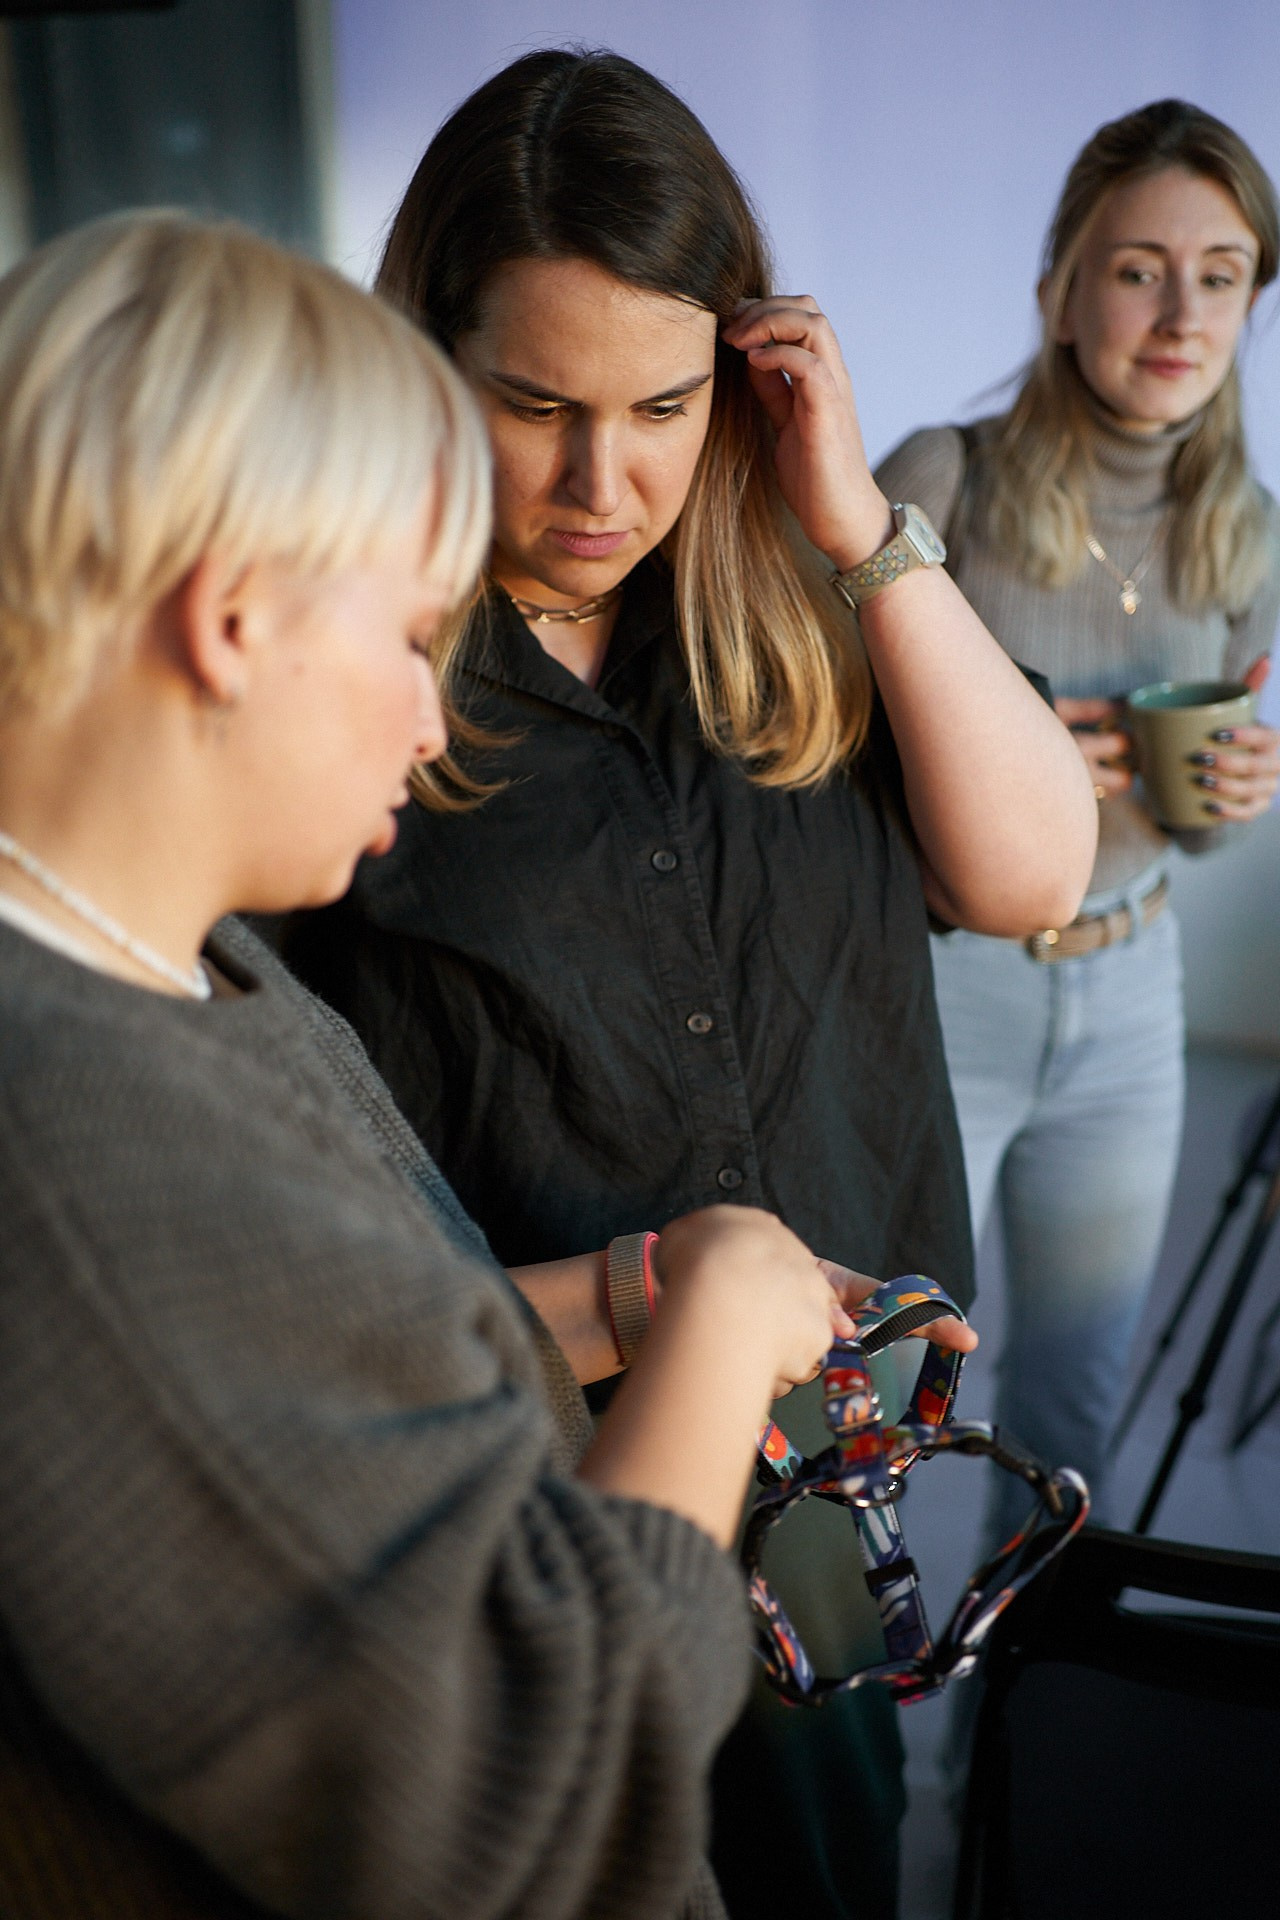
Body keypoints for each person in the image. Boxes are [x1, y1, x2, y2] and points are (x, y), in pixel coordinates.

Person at [0, 208, 978, 1920]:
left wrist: (624, 1293)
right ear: (233, 622)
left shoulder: (195, 974)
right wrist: (732, 1314)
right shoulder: (78, 1144)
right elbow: (530, 1797)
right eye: (405, 637)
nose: (435, 714)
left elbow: (322, 1352)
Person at [281, 48, 1097, 1920]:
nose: (603, 481)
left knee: (820, 1848)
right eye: (534, 405)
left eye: (660, 406)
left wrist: (854, 529)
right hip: (524, 1428)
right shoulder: (363, 668)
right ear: (427, 370)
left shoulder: (809, 600)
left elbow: (1031, 870)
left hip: (816, 1435)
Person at [875, 98, 1280, 1561]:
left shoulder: (1250, 534)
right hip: (940, 988)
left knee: (1073, 1421)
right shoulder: (943, 484)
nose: (1182, 313)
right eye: (1137, 269)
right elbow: (806, 765)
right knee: (869, 1394)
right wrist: (1003, 757)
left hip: (1130, 993)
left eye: (1222, 273)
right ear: (1058, 288)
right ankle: (837, 1739)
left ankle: (1023, 1779)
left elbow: (1187, 829)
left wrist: (1228, 805)